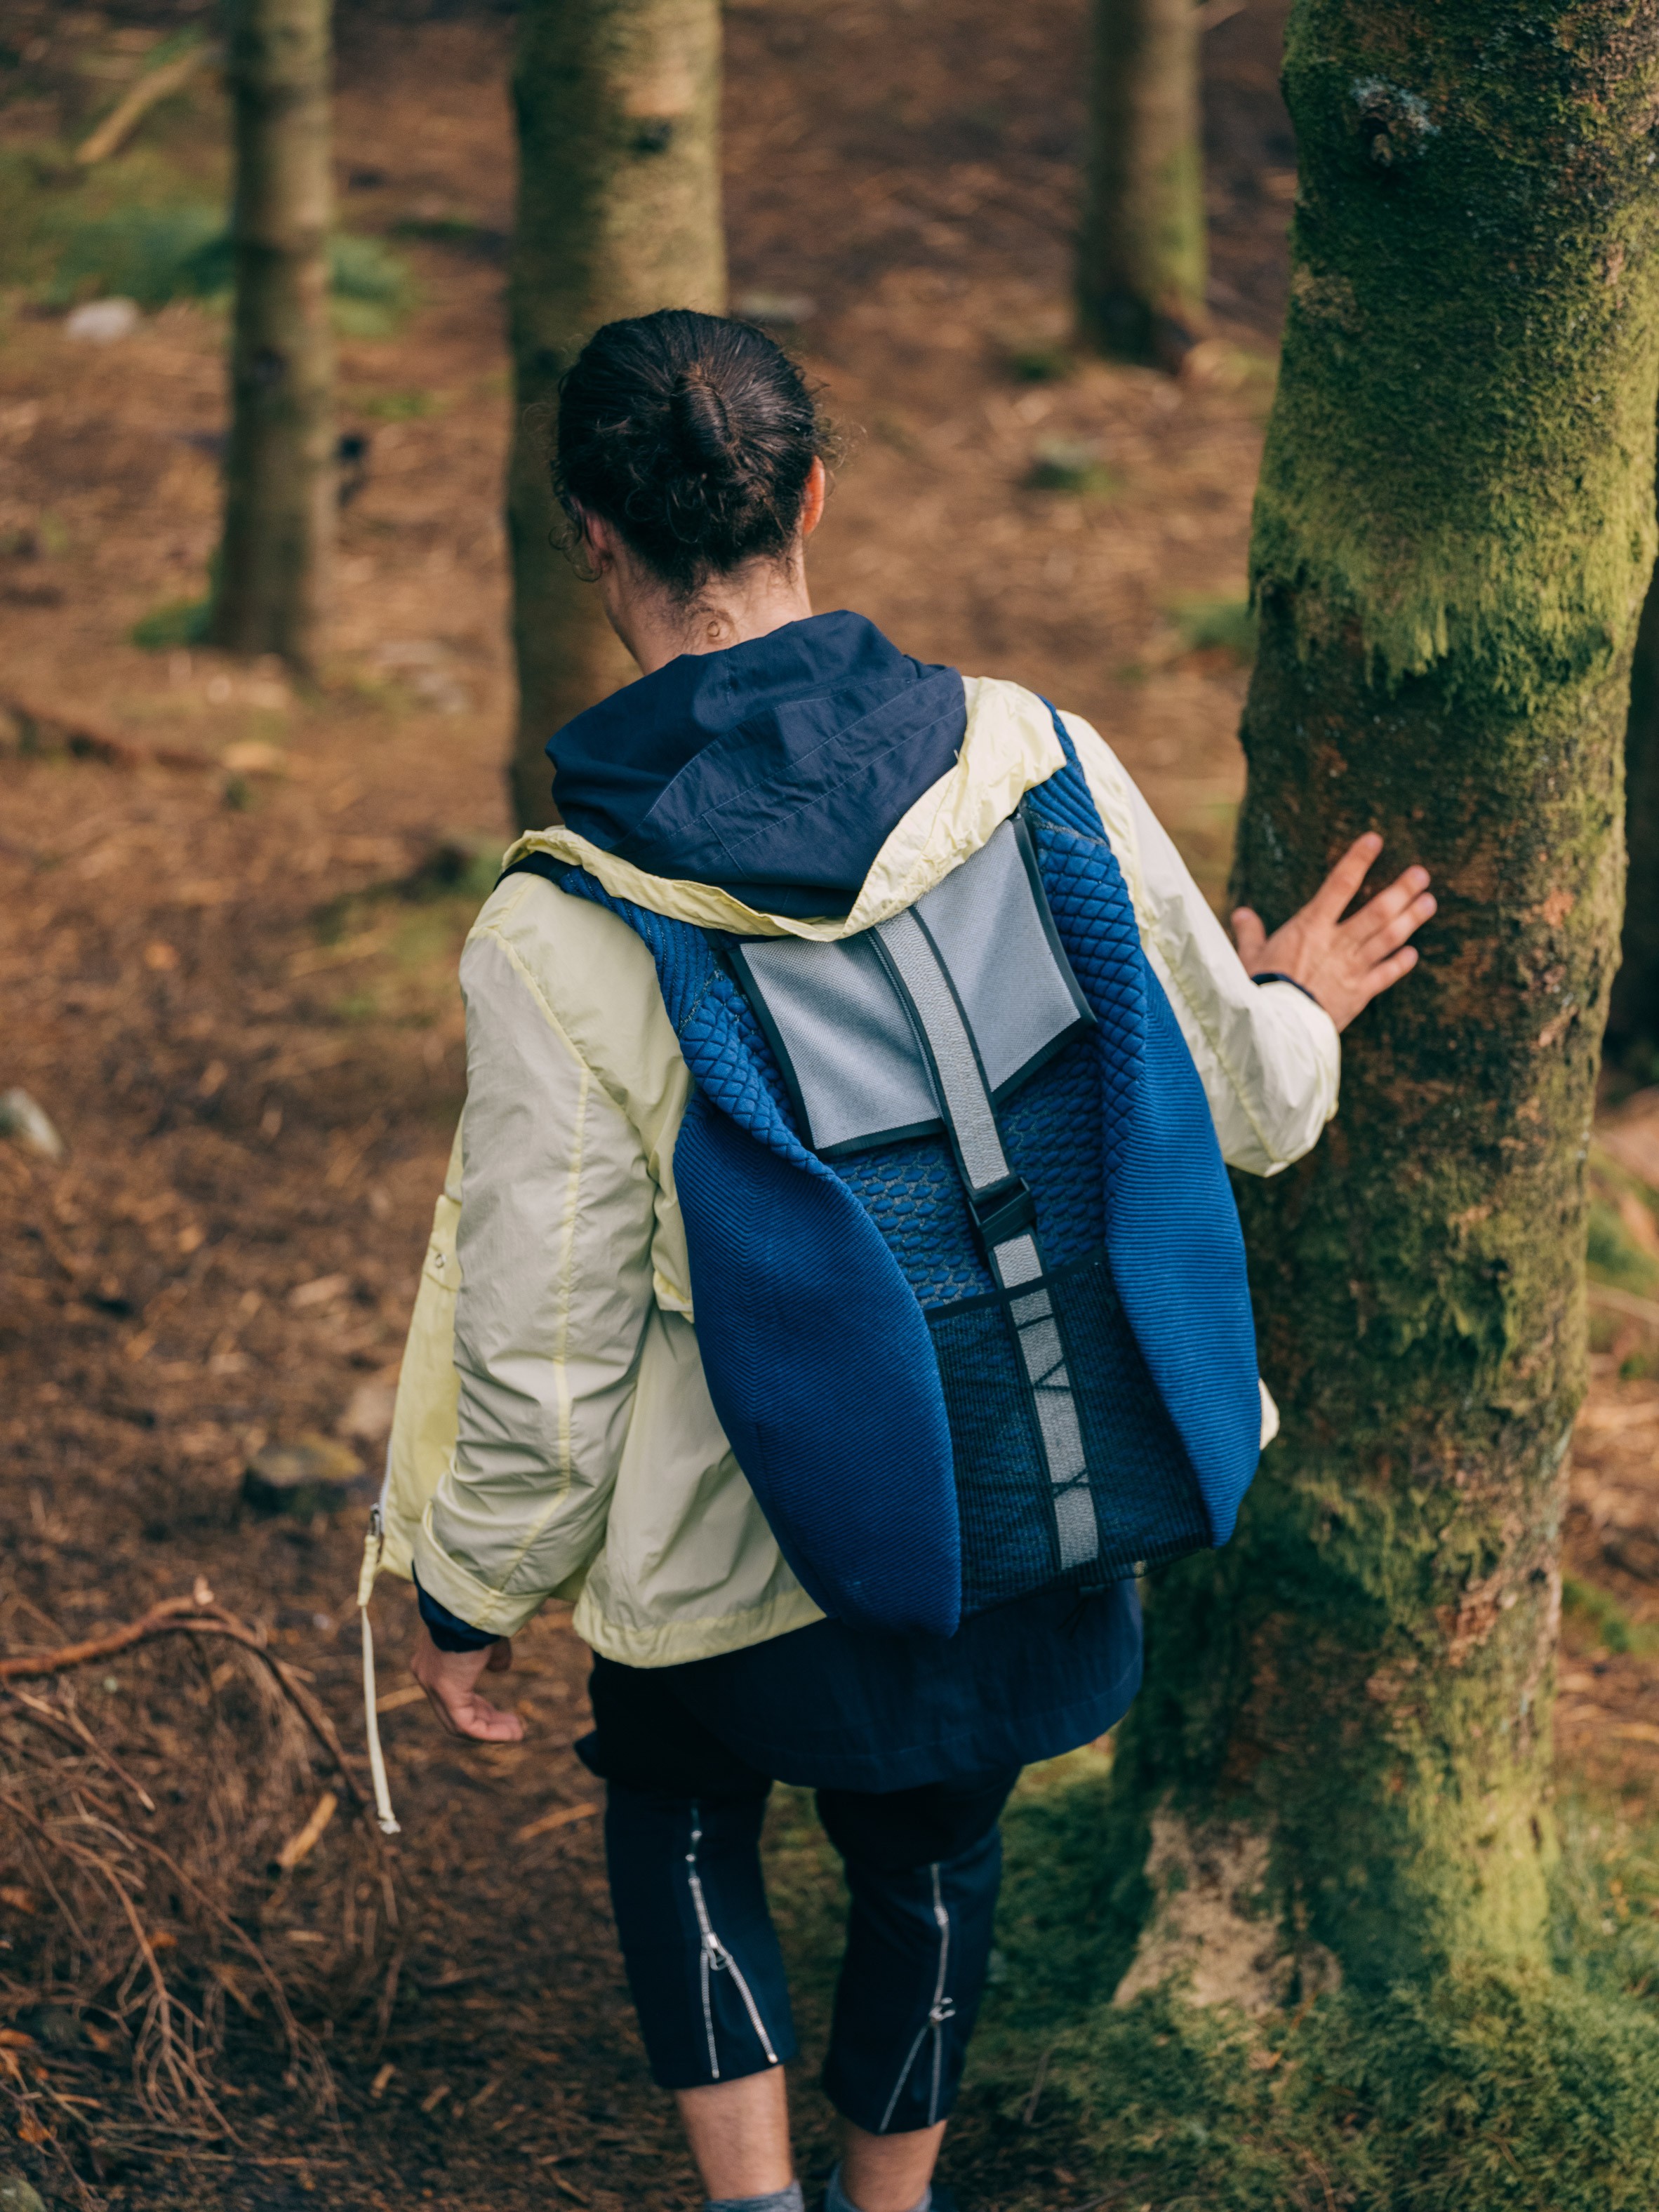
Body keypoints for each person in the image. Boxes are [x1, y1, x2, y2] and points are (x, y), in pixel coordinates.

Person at [385, 309, 1434, 2212]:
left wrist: (473, 1584)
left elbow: (545, 1332)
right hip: (1029, 1496)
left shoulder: (564, 918)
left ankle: (754, 2202)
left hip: (747, 1560)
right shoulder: (1034, 760)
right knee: (937, 1857)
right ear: (810, 496)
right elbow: (1236, 1101)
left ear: (588, 537)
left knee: (678, 1793)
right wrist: (1298, 1004)